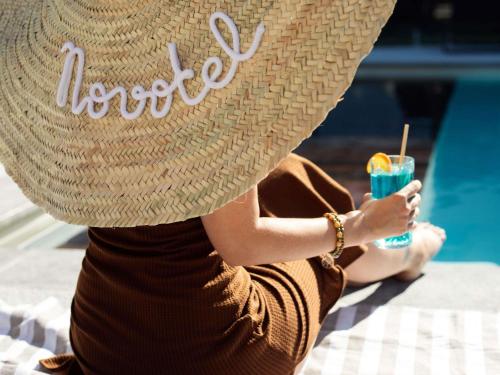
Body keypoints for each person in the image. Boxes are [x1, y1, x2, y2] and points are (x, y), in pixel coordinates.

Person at [0, 1, 446, 374]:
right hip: (213, 350)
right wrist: (358, 225)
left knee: (281, 172)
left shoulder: (79, 85)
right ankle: (398, 253)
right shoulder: (210, 100)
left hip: (103, 341)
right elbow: (240, 243)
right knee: (313, 253)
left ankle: (385, 252)